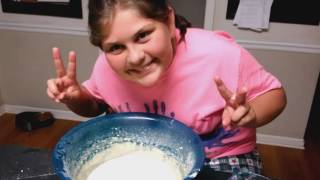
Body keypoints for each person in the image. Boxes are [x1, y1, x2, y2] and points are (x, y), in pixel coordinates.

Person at [47, 0, 286, 179]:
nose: (135, 57)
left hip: (224, 155)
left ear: (169, 21)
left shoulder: (218, 54)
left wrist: (251, 113)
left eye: (142, 35)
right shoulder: (105, 68)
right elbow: (93, 106)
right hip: (144, 154)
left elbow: (275, 95)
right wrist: (76, 97)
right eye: (116, 47)